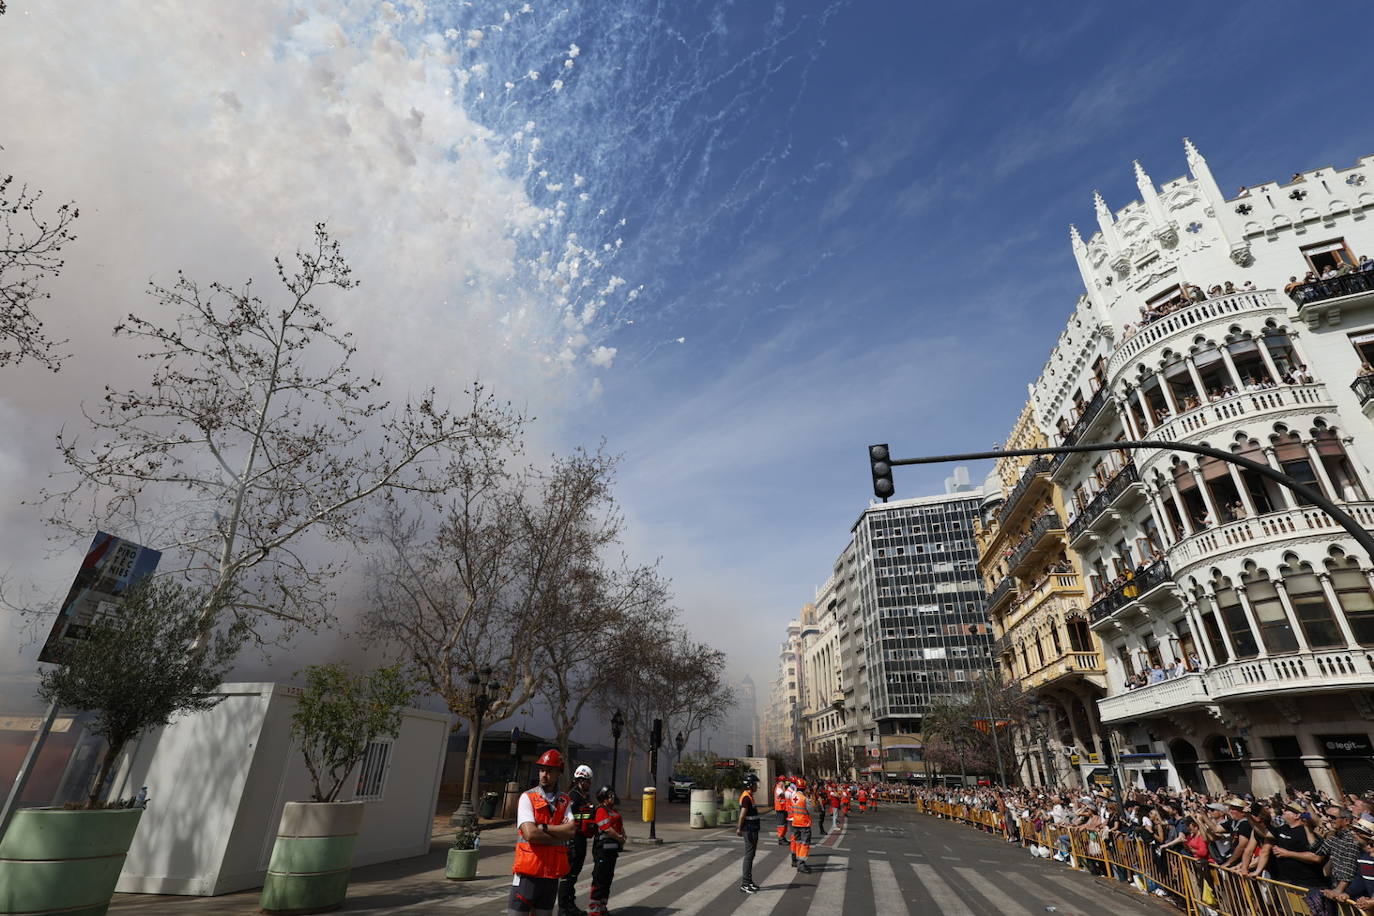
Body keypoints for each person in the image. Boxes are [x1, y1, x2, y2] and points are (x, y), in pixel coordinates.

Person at [510, 750, 577, 916]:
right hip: (528, 875)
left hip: (551, 875)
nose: (544, 774)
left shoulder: (564, 800)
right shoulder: (528, 797)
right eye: (542, 770)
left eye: (549, 770)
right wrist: (558, 835)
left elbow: (572, 830)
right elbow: (530, 834)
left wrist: (544, 828)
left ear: (559, 773)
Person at [558, 765, 595, 916]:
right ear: (581, 780)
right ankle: (564, 909)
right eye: (588, 781)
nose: (589, 784)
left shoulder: (582, 795)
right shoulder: (574, 797)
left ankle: (570, 905)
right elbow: (568, 819)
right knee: (569, 875)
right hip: (573, 840)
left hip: (580, 839)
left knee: (574, 875)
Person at [588, 786, 626, 916]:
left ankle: (602, 906)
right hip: (602, 850)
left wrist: (623, 836)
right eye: (610, 795)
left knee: (608, 878)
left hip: (612, 851)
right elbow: (606, 828)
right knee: (600, 877)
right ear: (604, 798)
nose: (612, 797)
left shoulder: (612, 811)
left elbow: (619, 825)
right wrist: (619, 838)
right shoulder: (601, 810)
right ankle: (594, 908)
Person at [736, 773, 761, 894]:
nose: (757, 786)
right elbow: (742, 814)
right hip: (749, 830)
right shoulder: (746, 797)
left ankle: (749, 881)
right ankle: (745, 883)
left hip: (753, 829)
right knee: (749, 856)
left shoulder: (750, 796)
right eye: (755, 784)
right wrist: (739, 828)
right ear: (750, 785)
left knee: (751, 855)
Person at [789, 779, 814, 874]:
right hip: (804, 824)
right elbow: (811, 810)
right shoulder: (804, 798)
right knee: (805, 844)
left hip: (795, 823)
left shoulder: (793, 796)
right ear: (804, 788)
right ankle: (801, 864)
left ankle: (797, 861)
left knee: (798, 842)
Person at [773, 776, 790, 846]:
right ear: (782, 781)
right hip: (780, 808)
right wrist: (789, 792)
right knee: (781, 824)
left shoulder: (781, 787)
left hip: (783, 808)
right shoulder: (779, 787)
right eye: (784, 781)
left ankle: (783, 837)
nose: (785, 783)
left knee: (784, 824)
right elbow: (782, 794)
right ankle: (781, 838)